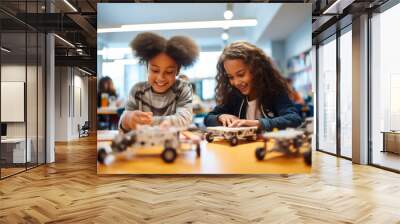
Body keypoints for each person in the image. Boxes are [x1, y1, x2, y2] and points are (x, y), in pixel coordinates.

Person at [204, 41, 303, 131]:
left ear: (256, 70)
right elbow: (208, 118)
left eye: (241, 74)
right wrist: (220, 117)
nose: (236, 82)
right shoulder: (233, 95)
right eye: (230, 77)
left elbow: (294, 118)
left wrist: (258, 124)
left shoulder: (274, 92)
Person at [119, 32, 199, 131]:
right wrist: (127, 120)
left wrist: (147, 122)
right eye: (155, 70)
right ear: (147, 68)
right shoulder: (137, 90)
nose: (161, 78)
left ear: (177, 71)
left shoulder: (182, 89)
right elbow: (124, 126)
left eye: (169, 72)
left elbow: (184, 119)